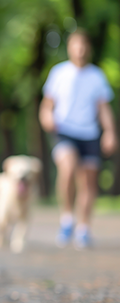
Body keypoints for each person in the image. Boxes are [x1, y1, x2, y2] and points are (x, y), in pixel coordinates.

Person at [39, 30, 118, 249]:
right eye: (76, 45)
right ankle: (67, 219)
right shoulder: (59, 72)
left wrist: (110, 132)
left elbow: (103, 108)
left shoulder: (97, 76)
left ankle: (83, 228)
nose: (80, 49)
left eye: (84, 45)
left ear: (88, 48)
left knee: (89, 181)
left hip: (90, 133)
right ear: (70, 47)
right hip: (65, 129)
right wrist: (46, 117)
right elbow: (47, 105)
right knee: (68, 168)